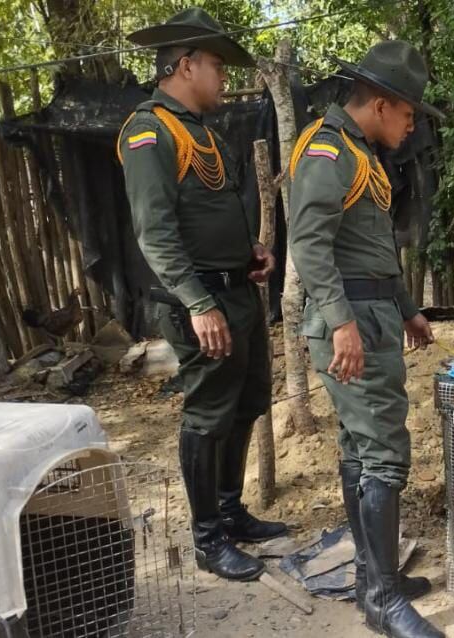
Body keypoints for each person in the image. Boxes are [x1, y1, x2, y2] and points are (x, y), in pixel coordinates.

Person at [117, 8, 286, 582]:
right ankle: (207, 538)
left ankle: (231, 512)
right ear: (185, 66)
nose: (223, 76)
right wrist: (198, 302)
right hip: (198, 302)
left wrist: (250, 252)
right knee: (209, 413)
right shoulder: (149, 132)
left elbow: (209, 212)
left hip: (235, 292)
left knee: (247, 400)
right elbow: (155, 232)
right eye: (216, 65)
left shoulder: (201, 131)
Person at [288, 41, 444, 638]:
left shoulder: (360, 154)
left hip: (373, 315)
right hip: (351, 319)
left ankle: (370, 577)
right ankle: (382, 599)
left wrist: (407, 309)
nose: (411, 126)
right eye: (407, 114)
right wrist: (342, 323)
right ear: (380, 105)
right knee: (384, 453)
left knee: (361, 449)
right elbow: (309, 244)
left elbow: (373, 247)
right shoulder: (327, 150)